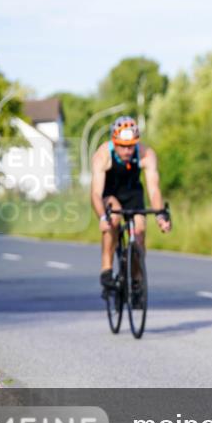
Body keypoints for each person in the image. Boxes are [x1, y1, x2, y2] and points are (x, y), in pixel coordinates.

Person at [90, 116, 171, 306]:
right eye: (122, 146)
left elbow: (153, 189)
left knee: (140, 231)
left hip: (133, 194)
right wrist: (102, 216)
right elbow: (95, 193)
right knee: (114, 220)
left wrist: (160, 215)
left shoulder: (146, 154)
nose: (127, 150)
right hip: (110, 195)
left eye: (131, 146)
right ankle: (107, 269)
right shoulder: (103, 155)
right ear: (114, 142)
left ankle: (135, 281)